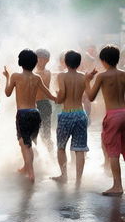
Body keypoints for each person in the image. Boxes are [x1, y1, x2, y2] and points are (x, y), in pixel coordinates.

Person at [3, 49, 56, 183]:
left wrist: (7, 77)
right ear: (35, 63)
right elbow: (49, 95)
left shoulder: (15, 76)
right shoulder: (37, 78)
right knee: (26, 143)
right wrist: (60, 97)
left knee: (25, 144)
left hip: (23, 114)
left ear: (20, 62)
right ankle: (27, 167)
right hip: (35, 113)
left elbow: (7, 93)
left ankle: (30, 172)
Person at [85, 45, 125, 196]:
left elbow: (90, 96)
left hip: (113, 115)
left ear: (103, 61)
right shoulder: (123, 74)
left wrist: (87, 81)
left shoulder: (102, 76)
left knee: (113, 152)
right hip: (124, 112)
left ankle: (117, 186)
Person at [51, 50, 89, 188]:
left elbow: (62, 96)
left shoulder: (61, 76)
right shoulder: (84, 76)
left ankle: (64, 176)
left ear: (66, 62)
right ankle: (78, 182)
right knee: (80, 149)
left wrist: (56, 98)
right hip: (80, 113)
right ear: (79, 63)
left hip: (66, 114)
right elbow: (87, 96)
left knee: (61, 147)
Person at [35, 49, 53, 153]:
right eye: (38, 58)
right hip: (33, 105)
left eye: (43, 58)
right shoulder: (33, 73)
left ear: (47, 60)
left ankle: (51, 157)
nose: (40, 60)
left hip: (44, 104)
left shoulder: (46, 73)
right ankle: (37, 159)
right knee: (34, 134)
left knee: (46, 134)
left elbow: (41, 77)